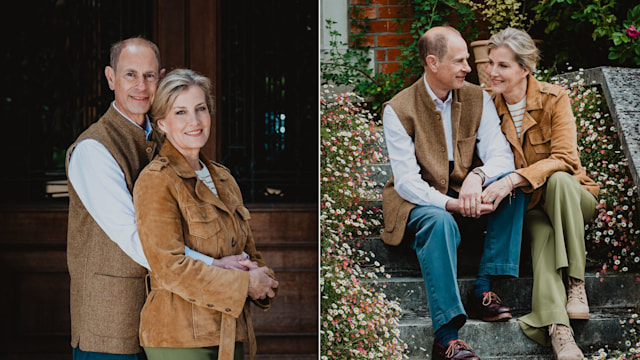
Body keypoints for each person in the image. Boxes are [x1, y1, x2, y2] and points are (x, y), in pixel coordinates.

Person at [66, 37, 245, 360]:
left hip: (167, 320)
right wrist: (216, 266)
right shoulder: (93, 149)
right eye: (130, 75)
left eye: (150, 75)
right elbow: (136, 238)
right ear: (110, 78)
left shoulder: (168, 135)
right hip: (111, 321)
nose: (141, 86)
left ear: (160, 78)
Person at [381, 26, 529, 360]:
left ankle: (483, 288)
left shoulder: (476, 97)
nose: (468, 67)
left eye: (467, 59)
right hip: (420, 206)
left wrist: (478, 177)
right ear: (432, 63)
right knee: (439, 222)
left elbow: (501, 155)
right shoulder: (398, 109)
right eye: (459, 61)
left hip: (466, 196)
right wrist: (451, 204)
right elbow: (407, 182)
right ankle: (446, 337)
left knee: (513, 187)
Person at [132, 68, 279, 360]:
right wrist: (243, 285)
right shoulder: (157, 180)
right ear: (162, 123)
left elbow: (247, 253)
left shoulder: (223, 178)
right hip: (179, 337)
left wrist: (262, 278)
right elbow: (168, 267)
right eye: (181, 112)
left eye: (200, 109)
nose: (194, 121)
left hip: (230, 330)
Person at [484, 27, 599, 360]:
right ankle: (559, 332)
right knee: (543, 236)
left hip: (574, 200)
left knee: (560, 180)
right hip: (531, 208)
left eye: (503, 65)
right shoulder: (488, 106)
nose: (493, 72)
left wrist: (513, 179)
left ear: (524, 68)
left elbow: (565, 159)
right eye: (490, 63)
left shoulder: (554, 98)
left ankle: (576, 282)